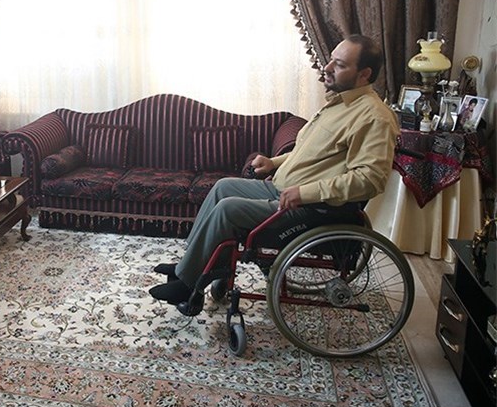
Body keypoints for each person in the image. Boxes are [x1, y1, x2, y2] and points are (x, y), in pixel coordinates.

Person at [149, 35, 399, 306]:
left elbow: (370, 179)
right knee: (223, 186)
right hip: (283, 189)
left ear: (364, 74)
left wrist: (304, 192)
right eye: (331, 60)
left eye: (339, 65)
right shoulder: (340, 104)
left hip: (312, 208)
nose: (327, 68)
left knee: (228, 209)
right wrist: (273, 163)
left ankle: (188, 285)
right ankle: (192, 266)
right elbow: (311, 154)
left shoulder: (374, 117)